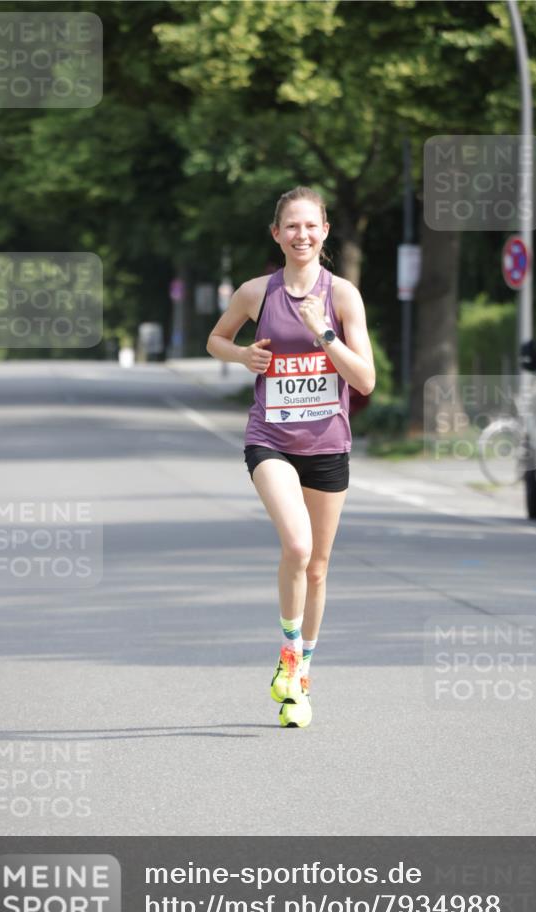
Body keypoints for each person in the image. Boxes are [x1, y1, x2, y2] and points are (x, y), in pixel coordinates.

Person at [207, 186, 375, 728]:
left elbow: (365, 379)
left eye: (312, 226)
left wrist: (322, 332)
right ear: (276, 234)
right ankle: (286, 652)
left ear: (325, 232)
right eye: (292, 226)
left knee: (320, 568)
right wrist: (242, 354)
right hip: (271, 439)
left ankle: (300, 676)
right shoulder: (257, 293)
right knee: (298, 546)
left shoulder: (343, 296)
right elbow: (216, 339)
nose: (302, 235)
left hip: (329, 443)